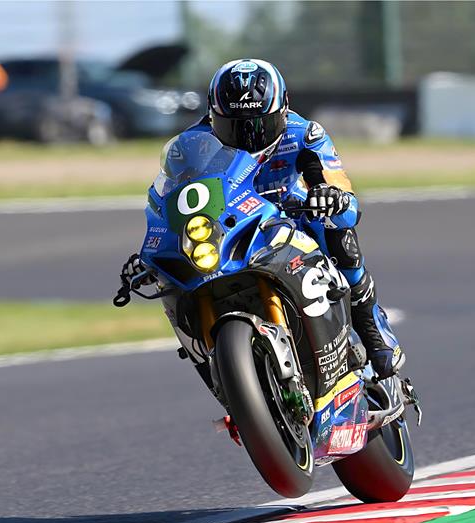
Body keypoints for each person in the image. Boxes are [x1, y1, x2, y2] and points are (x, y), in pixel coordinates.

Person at [122, 59, 404, 380]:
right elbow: (169, 201)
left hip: (292, 217)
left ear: (283, 111)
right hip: (229, 230)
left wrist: (331, 196)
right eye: (234, 127)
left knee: (336, 226)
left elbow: (336, 183)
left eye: (260, 126)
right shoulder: (191, 146)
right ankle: (217, 370)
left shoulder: (305, 134)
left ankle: (371, 328)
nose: (249, 136)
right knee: (171, 280)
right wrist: (151, 252)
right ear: (214, 118)